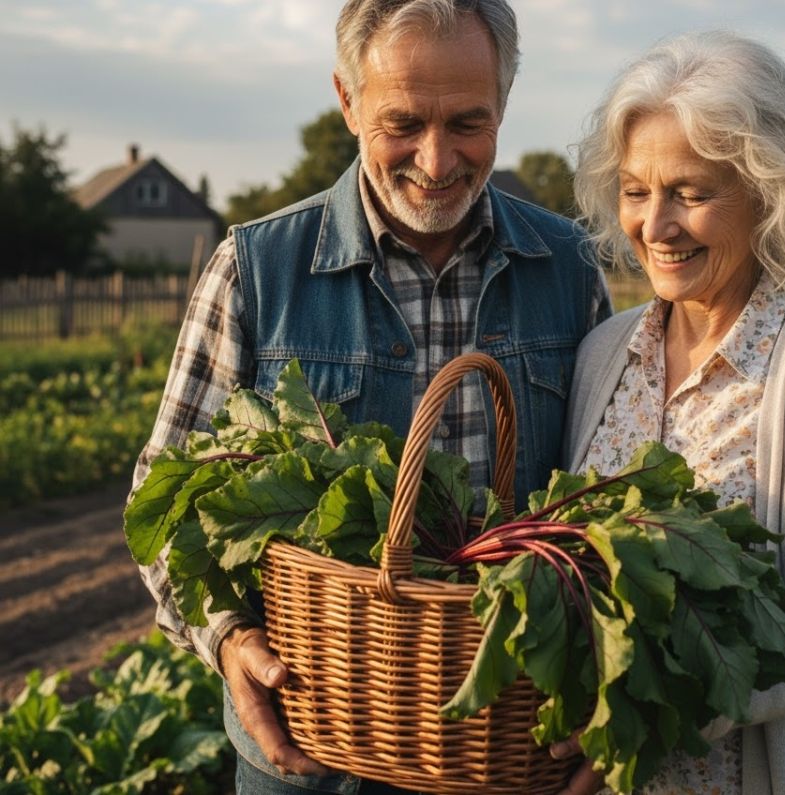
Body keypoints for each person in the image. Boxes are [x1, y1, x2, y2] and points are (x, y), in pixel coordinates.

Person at [128, 1, 611, 793]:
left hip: (513, 746)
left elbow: (604, 497)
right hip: (316, 752)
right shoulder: (254, 269)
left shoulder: (569, 267)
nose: (437, 159)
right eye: (403, 123)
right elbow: (161, 498)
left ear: (504, 100)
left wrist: (613, 684)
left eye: (468, 122)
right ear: (348, 101)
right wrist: (228, 637)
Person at [551, 30, 785, 795]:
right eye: (636, 191)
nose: (655, 225)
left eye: (690, 193)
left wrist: (656, 705)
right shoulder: (605, 352)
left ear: (768, 193)